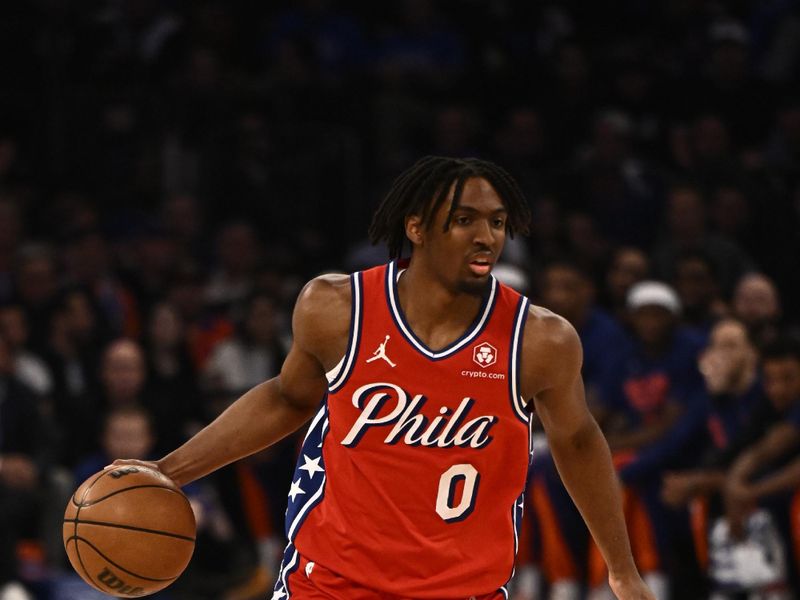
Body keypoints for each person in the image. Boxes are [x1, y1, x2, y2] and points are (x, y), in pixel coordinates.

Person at [113, 156, 654, 599]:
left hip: (462, 590)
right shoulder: (337, 307)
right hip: (330, 584)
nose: (486, 236)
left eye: (496, 221)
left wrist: (623, 570)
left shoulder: (539, 340)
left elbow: (579, 442)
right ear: (415, 228)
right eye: (464, 220)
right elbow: (285, 398)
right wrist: (168, 470)